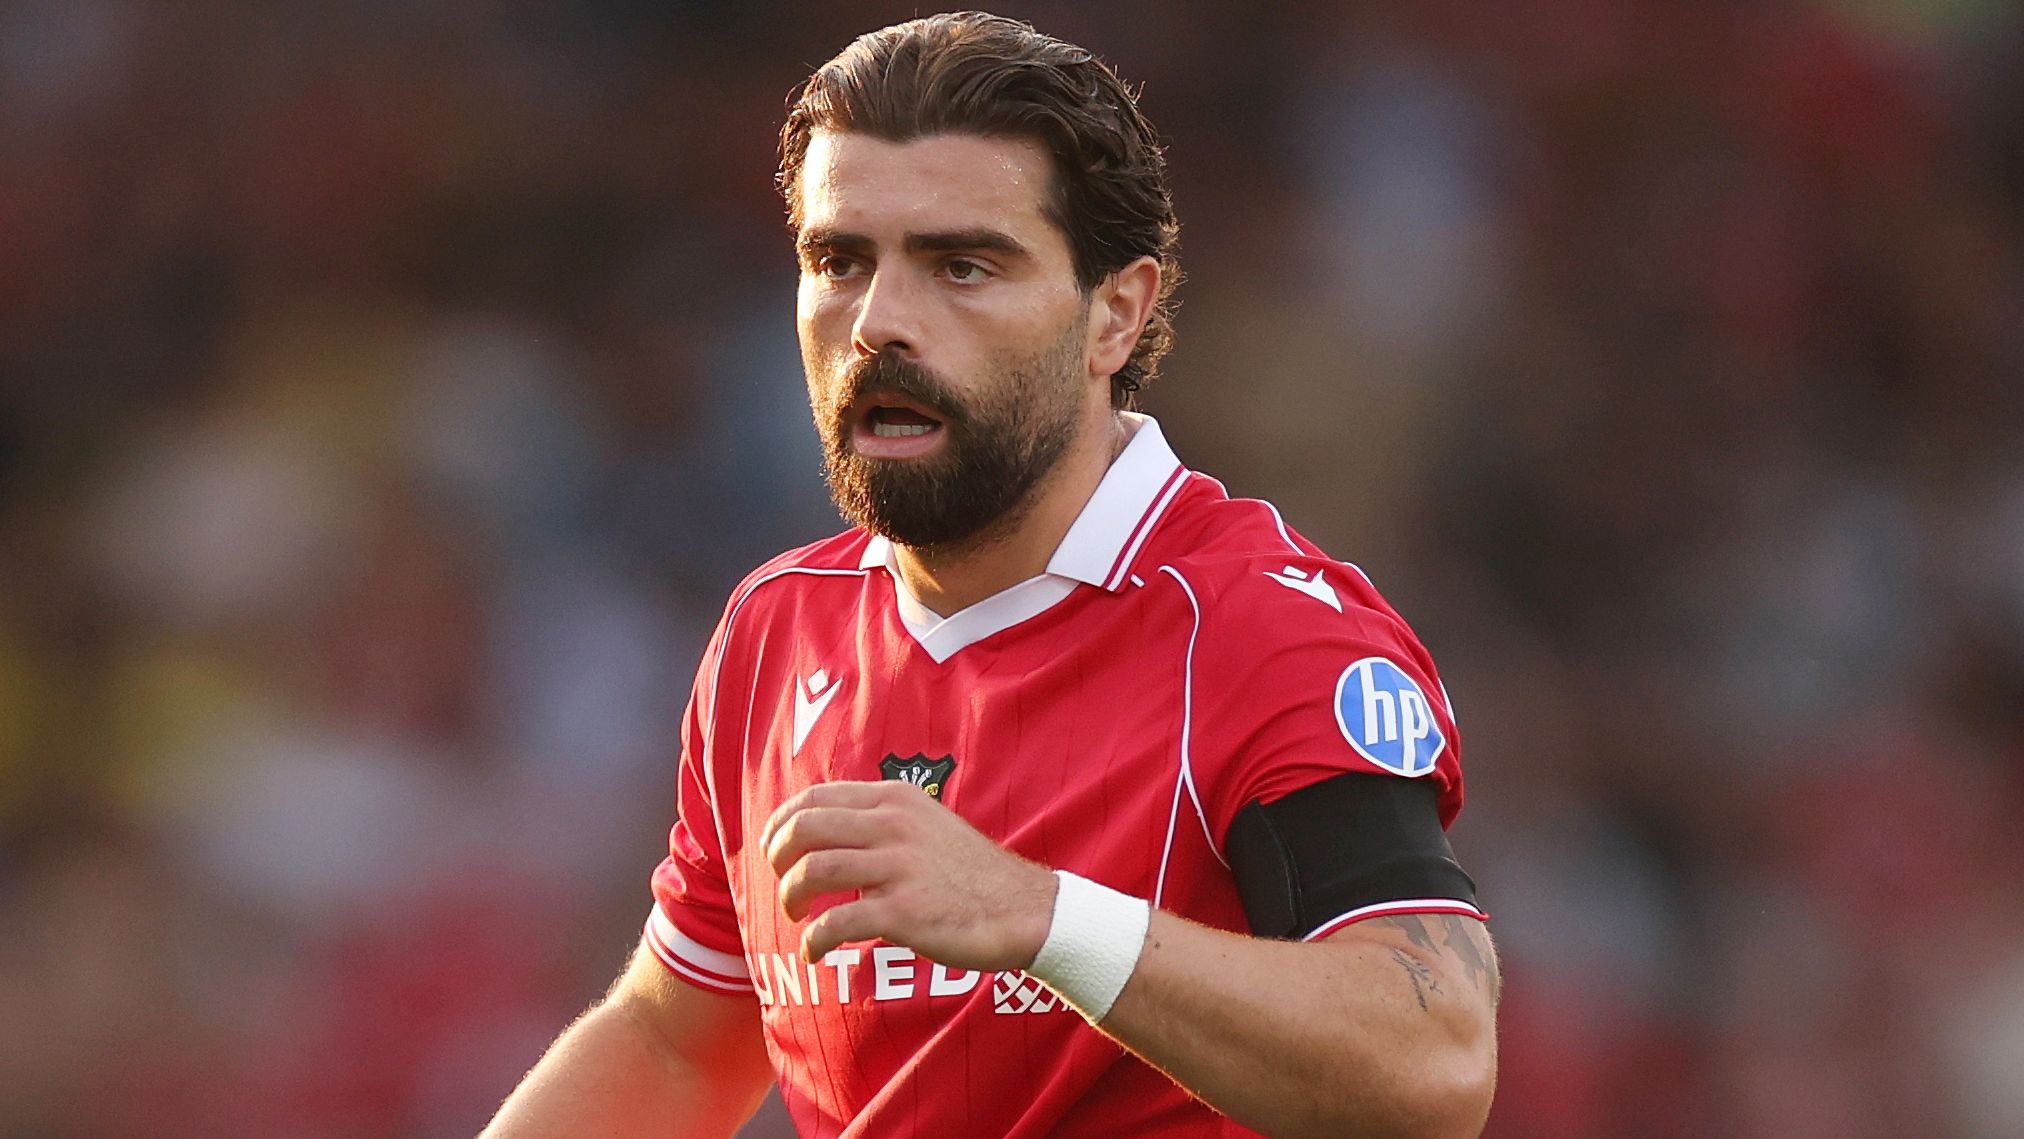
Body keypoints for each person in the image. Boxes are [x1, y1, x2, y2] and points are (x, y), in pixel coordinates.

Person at [482, 12, 1497, 1138]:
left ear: (1115, 313)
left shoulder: (1261, 628)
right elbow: (676, 1044)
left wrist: (1043, 916)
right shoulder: (779, 627)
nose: (879, 322)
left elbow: (1434, 1059)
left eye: (961, 266)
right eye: (839, 262)